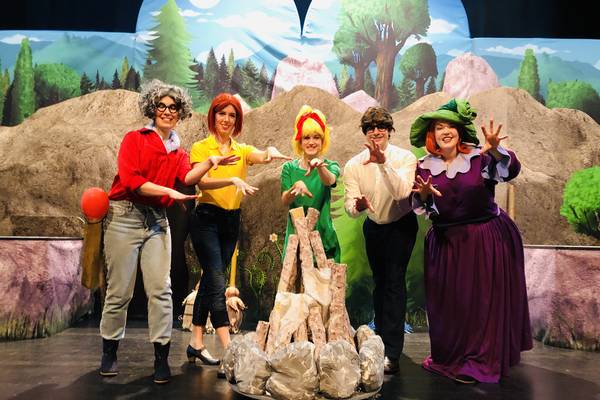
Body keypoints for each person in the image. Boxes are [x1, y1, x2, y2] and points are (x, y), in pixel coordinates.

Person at [99, 80, 238, 384]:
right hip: (125, 216)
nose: (166, 111)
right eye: (161, 106)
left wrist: (210, 162)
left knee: (161, 290)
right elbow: (132, 181)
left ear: (180, 112)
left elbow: (187, 177)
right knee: (120, 290)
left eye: (173, 107)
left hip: (156, 220)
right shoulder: (135, 139)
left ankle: (161, 357)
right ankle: (109, 351)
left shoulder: (178, 150)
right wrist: (169, 192)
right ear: (152, 108)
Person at [410, 98, 532, 384]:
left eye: (451, 126)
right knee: (452, 306)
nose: (445, 131)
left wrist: (497, 150)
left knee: (482, 304)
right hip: (446, 245)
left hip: (484, 240)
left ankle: (480, 359)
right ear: (432, 135)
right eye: (439, 127)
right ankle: (450, 356)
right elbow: (420, 205)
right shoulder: (424, 167)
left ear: (460, 131)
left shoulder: (480, 157)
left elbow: (511, 170)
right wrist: (424, 196)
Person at [186, 93, 291, 377]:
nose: (227, 119)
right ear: (213, 116)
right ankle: (229, 349)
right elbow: (201, 182)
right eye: (222, 114)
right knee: (217, 283)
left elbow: (258, 155)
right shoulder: (201, 148)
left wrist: (268, 153)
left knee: (211, 281)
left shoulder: (241, 149)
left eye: (232, 115)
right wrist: (231, 178)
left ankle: (196, 342)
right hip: (206, 219)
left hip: (230, 221)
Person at [343, 106, 418, 374]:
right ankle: (381, 342)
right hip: (373, 226)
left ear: (389, 130)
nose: (376, 131)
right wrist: (359, 206)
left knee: (394, 283)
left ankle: (393, 352)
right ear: (365, 132)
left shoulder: (405, 158)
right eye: (371, 128)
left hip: (401, 225)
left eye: (381, 127)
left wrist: (383, 163)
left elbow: (402, 193)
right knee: (380, 283)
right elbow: (350, 206)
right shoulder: (353, 165)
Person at [281, 105, 341, 261]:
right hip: (297, 242)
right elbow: (285, 200)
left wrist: (320, 167)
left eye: (316, 137)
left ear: (323, 140)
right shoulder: (289, 168)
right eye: (306, 138)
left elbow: (330, 180)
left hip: (324, 240)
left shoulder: (331, 166)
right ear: (300, 141)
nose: (311, 142)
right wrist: (295, 187)